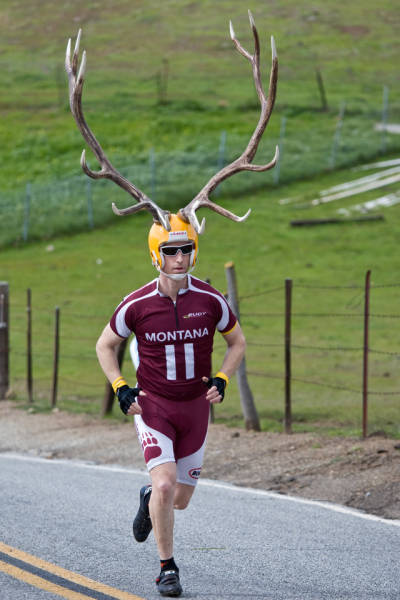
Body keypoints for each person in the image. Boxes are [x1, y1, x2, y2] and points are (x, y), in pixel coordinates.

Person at [96, 213, 246, 598]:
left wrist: (222, 378)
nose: (179, 259)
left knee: (178, 499)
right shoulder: (136, 304)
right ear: (155, 254)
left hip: (195, 409)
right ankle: (167, 568)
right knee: (164, 482)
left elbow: (237, 343)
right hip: (154, 408)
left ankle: (149, 499)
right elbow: (105, 345)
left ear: (194, 252)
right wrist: (121, 387)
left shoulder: (211, 299)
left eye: (186, 249)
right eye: (170, 251)